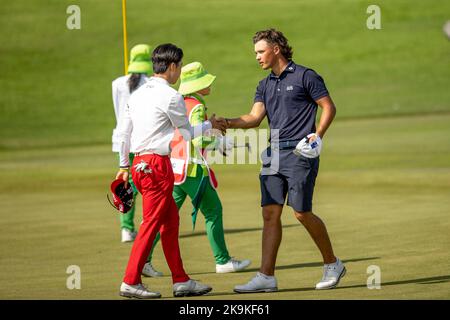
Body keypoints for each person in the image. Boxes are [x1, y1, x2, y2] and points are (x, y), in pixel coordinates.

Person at [223, 29, 345, 293]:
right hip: (273, 153)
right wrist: (226, 123)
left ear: (276, 49)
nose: (256, 57)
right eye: (255, 52)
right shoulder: (264, 84)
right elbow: (254, 118)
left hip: (301, 152)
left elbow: (328, 106)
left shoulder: (305, 76)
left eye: (260, 51)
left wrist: (317, 136)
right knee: (270, 213)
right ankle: (266, 276)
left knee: (301, 212)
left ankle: (332, 264)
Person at [115, 43, 227, 299]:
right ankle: (130, 280)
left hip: (137, 165)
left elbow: (123, 135)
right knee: (151, 224)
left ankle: (181, 280)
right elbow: (186, 134)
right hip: (156, 166)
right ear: (173, 66)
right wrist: (212, 123)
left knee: (170, 222)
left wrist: (123, 166)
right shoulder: (171, 96)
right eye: (179, 68)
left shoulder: (137, 94)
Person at [144, 61, 251, 275]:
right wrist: (219, 143)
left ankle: (143, 259)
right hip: (192, 170)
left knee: (164, 216)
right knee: (213, 211)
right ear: (197, 85)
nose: (209, 84)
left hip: (174, 170)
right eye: (205, 80)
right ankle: (223, 261)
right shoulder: (197, 106)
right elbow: (195, 140)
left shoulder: (180, 102)